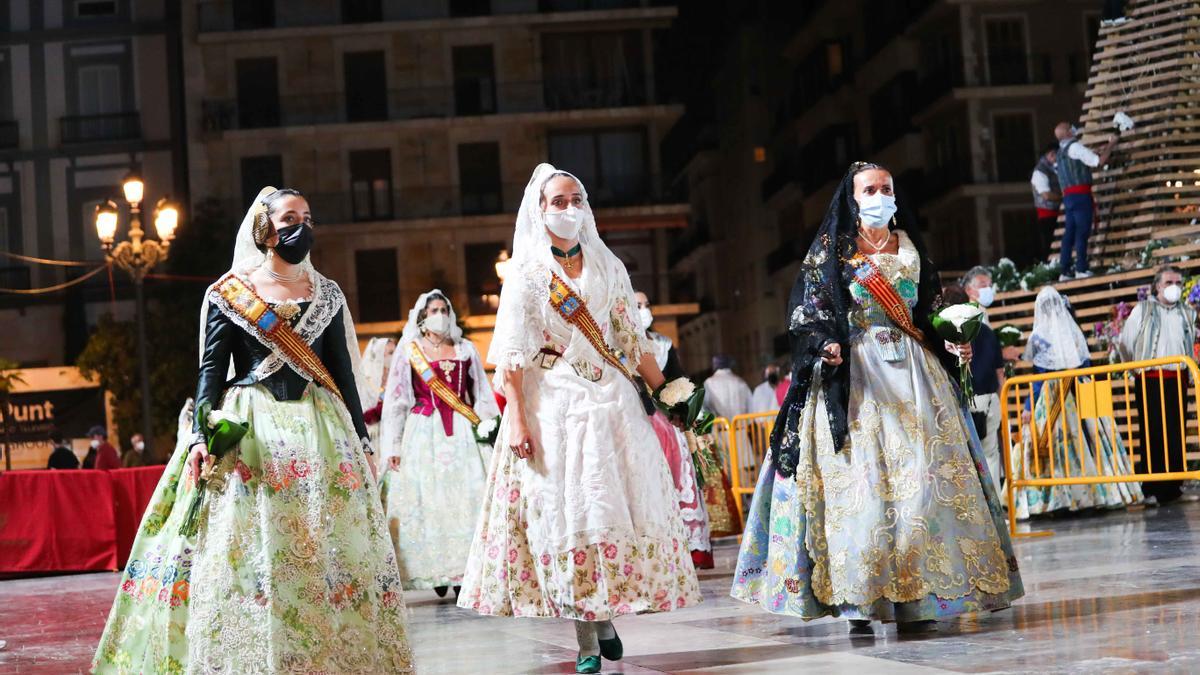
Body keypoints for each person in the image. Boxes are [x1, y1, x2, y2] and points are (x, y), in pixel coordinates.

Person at [92, 187, 413, 673]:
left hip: (320, 431)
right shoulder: (229, 294)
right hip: (253, 433)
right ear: (265, 229)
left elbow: (342, 373)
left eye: (307, 216)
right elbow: (210, 370)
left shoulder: (326, 293)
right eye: (289, 218)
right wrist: (200, 436)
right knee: (253, 545)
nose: (300, 226)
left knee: (321, 542)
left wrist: (362, 441)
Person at [731, 161, 1023, 634]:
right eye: (869, 189)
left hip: (916, 376)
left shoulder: (910, 247)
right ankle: (860, 599)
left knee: (927, 485)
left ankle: (922, 595)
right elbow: (809, 313)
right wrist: (824, 347)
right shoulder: (834, 251)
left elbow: (928, 311)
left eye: (886, 188)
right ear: (852, 197)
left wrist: (953, 341)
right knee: (861, 490)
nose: (879, 195)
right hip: (856, 378)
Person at [457, 164, 700, 675]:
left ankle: (605, 616)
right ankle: (587, 634)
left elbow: (633, 342)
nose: (569, 210)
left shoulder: (610, 268)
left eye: (576, 200)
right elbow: (513, 358)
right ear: (539, 210)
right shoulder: (526, 273)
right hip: (553, 402)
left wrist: (670, 394)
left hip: (610, 401)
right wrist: (517, 421)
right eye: (558, 202)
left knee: (611, 508)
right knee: (567, 515)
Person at [378, 290, 499, 596]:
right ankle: (437, 571)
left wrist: (490, 427)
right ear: (422, 316)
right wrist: (393, 446)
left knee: (466, 498)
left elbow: (482, 393)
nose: (440, 313)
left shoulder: (465, 349)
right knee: (428, 499)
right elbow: (396, 399)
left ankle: (464, 571)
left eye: (444, 308)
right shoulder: (410, 350)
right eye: (434, 309)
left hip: (462, 433)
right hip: (424, 430)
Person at [1009, 286, 1142, 519]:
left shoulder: (1038, 337)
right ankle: (1101, 493)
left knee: (1054, 447)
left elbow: (1038, 379)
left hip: (1053, 395)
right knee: (1093, 442)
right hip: (1081, 390)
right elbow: (1085, 368)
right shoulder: (1074, 332)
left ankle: (1061, 499)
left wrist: (1028, 407)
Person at [635, 290, 715, 568]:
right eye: (637, 305)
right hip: (637, 419)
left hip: (668, 422)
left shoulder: (662, 344)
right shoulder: (619, 345)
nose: (644, 310)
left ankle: (687, 544)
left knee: (679, 477)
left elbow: (677, 377)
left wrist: (682, 405)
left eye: (647, 304)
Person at [1119, 265, 1197, 505]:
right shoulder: (1143, 310)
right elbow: (1126, 343)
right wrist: (1135, 367)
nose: (1174, 287)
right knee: (1153, 431)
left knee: (1176, 431)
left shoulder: (1188, 312)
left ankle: (1174, 487)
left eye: (1178, 283)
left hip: (1177, 378)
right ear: (1157, 286)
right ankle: (1152, 488)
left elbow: (1191, 340)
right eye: (1168, 283)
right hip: (1150, 378)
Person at [943, 284, 1005, 493]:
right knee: (991, 455)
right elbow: (1000, 372)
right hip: (991, 398)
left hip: (966, 400)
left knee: (967, 459)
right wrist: (1000, 400)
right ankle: (998, 511)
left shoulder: (949, 334)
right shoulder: (986, 331)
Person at [1054, 122, 1118, 280]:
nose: (1074, 128)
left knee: (1069, 233)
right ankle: (1081, 268)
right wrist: (1112, 144)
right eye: (1071, 127)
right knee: (1082, 232)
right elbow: (1099, 162)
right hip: (1081, 196)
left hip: (1068, 197)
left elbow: (1078, 162)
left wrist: (1095, 151)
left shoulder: (1060, 153)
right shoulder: (1075, 147)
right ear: (1069, 133)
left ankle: (1065, 270)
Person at [359, 336, 396, 455]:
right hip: (374, 435)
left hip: (393, 432)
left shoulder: (395, 380)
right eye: (390, 353)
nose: (394, 356)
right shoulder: (367, 381)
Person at [1029, 143, 1061, 265]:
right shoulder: (1040, 172)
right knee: (1049, 244)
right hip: (1047, 215)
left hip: (1057, 212)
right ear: (1050, 155)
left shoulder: (1054, 168)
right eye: (1055, 155)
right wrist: (1064, 197)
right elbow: (1046, 195)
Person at [703, 355, 752, 421]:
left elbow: (704, 407)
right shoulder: (740, 381)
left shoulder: (709, 383)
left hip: (719, 429)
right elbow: (750, 405)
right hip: (741, 428)